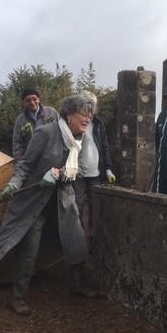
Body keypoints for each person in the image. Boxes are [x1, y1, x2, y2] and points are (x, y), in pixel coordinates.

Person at [0, 93, 98, 316]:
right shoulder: (45, 133)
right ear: (69, 115)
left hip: (63, 201)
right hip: (36, 202)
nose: (88, 118)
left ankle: (79, 286)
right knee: (29, 249)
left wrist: (60, 173)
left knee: (76, 241)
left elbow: (83, 169)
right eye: (83, 113)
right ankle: (18, 297)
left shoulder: (83, 140)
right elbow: (24, 165)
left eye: (90, 114)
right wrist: (13, 185)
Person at [73, 91, 116, 242]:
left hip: (95, 172)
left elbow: (104, 147)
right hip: (77, 173)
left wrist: (108, 169)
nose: (89, 109)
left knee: (94, 206)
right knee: (76, 207)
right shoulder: (74, 122)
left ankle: (93, 237)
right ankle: (78, 238)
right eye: (86, 105)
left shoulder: (98, 123)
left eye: (91, 106)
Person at [12, 88, 59, 162]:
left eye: (34, 99)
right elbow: (17, 143)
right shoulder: (20, 120)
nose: (32, 102)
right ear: (23, 102)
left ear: (38, 99)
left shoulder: (52, 113)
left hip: (53, 158)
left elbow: (62, 133)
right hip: (32, 161)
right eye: (28, 100)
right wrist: (21, 162)